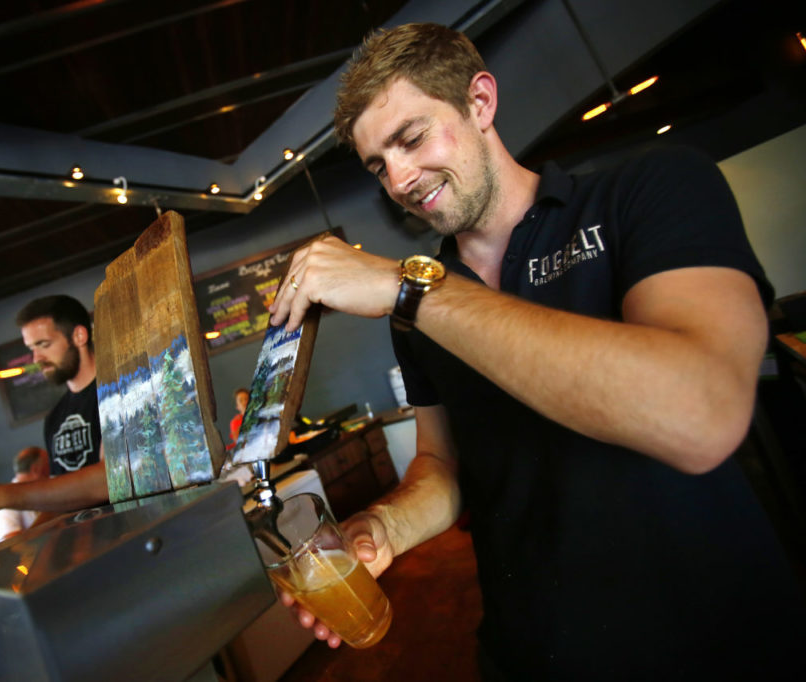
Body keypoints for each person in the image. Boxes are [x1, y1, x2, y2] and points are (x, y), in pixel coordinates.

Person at [267, 23, 806, 681]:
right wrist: (382, 528)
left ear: (480, 101)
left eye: (411, 138)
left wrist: (408, 288)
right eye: (379, 165)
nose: (399, 179)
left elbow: (703, 412)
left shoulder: (648, 189)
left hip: (715, 642)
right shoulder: (417, 305)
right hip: (531, 653)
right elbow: (442, 464)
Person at [0, 295, 109, 519]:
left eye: (44, 345)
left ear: (79, 336)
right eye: (31, 349)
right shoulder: (55, 417)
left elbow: (108, 478)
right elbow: (61, 500)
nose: (36, 358)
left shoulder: (116, 391)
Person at [0, 446, 50, 543]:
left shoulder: (38, 494)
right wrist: (51, 516)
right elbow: (11, 546)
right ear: (36, 469)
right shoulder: (4, 502)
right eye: (48, 465)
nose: (51, 471)